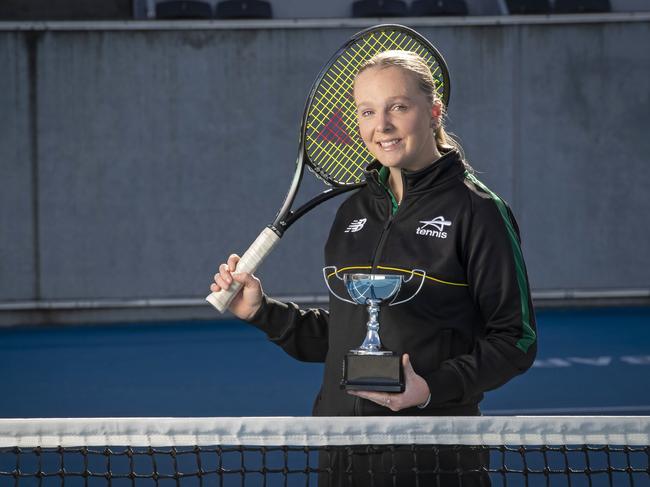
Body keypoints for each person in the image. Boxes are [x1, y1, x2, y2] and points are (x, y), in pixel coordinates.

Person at [211, 50, 537, 486]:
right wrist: (262, 311)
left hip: (431, 457)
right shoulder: (353, 211)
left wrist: (431, 389)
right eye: (367, 111)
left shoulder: (478, 211)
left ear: (434, 112)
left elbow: (516, 339)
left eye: (397, 107)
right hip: (342, 452)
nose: (380, 125)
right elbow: (350, 334)